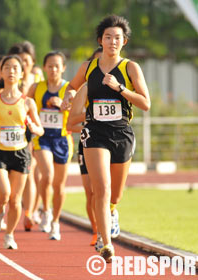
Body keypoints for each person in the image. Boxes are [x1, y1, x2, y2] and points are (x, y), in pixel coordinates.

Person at [65, 15, 151, 262]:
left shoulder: (130, 68)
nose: (112, 41)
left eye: (117, 38)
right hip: (95, 132)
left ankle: (113, 211)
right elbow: (71, 87)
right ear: (100, 41)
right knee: (100, 189)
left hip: (121, 132)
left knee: (115, 195)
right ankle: (106, 242)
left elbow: (145, 103)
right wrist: (69, 96)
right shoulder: (88, 67)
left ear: (124, 42)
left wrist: (120, 88)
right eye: (108, 37)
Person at [0, 55, 44, 249]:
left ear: (22, 73)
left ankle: (10, 235)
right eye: (7, 67)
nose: (11, 71)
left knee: (15, 200)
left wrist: (33, 126)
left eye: (16, 68)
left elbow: (40, 130)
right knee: (4, 193)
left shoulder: (28, 103)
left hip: (21, 153)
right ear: (1, 72)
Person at [27, 51, 72, 240]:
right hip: (42, 138)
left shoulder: (69, 89)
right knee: (47, 174)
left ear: (63, 68)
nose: (53, 69)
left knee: (59, 185)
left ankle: (55, 222)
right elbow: (26, 109)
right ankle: (45, 211)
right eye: (50, 66)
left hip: (62, 139)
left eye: (57, 66)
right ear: (44, 67)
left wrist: (64, 104)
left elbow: (79, 110)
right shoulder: (36, 88)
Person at [67, 47, 103, 246]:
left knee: (106, 191)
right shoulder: (85, 89)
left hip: (111, 141)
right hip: (88, 143)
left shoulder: (117, 85)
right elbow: (70, 125)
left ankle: (108, 218)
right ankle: (97, 230)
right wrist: (91, 115)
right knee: (91, 192)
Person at [8, 41, 43, 230]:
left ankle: (31, 211)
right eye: (20, 60)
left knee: (33, 172)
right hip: (15, 128)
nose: (23, 63)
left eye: (26, 60)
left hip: (34, 126)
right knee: (25, 172)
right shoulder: (13, 76)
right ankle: (21, 206)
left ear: (32, 61)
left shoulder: (37, 76)